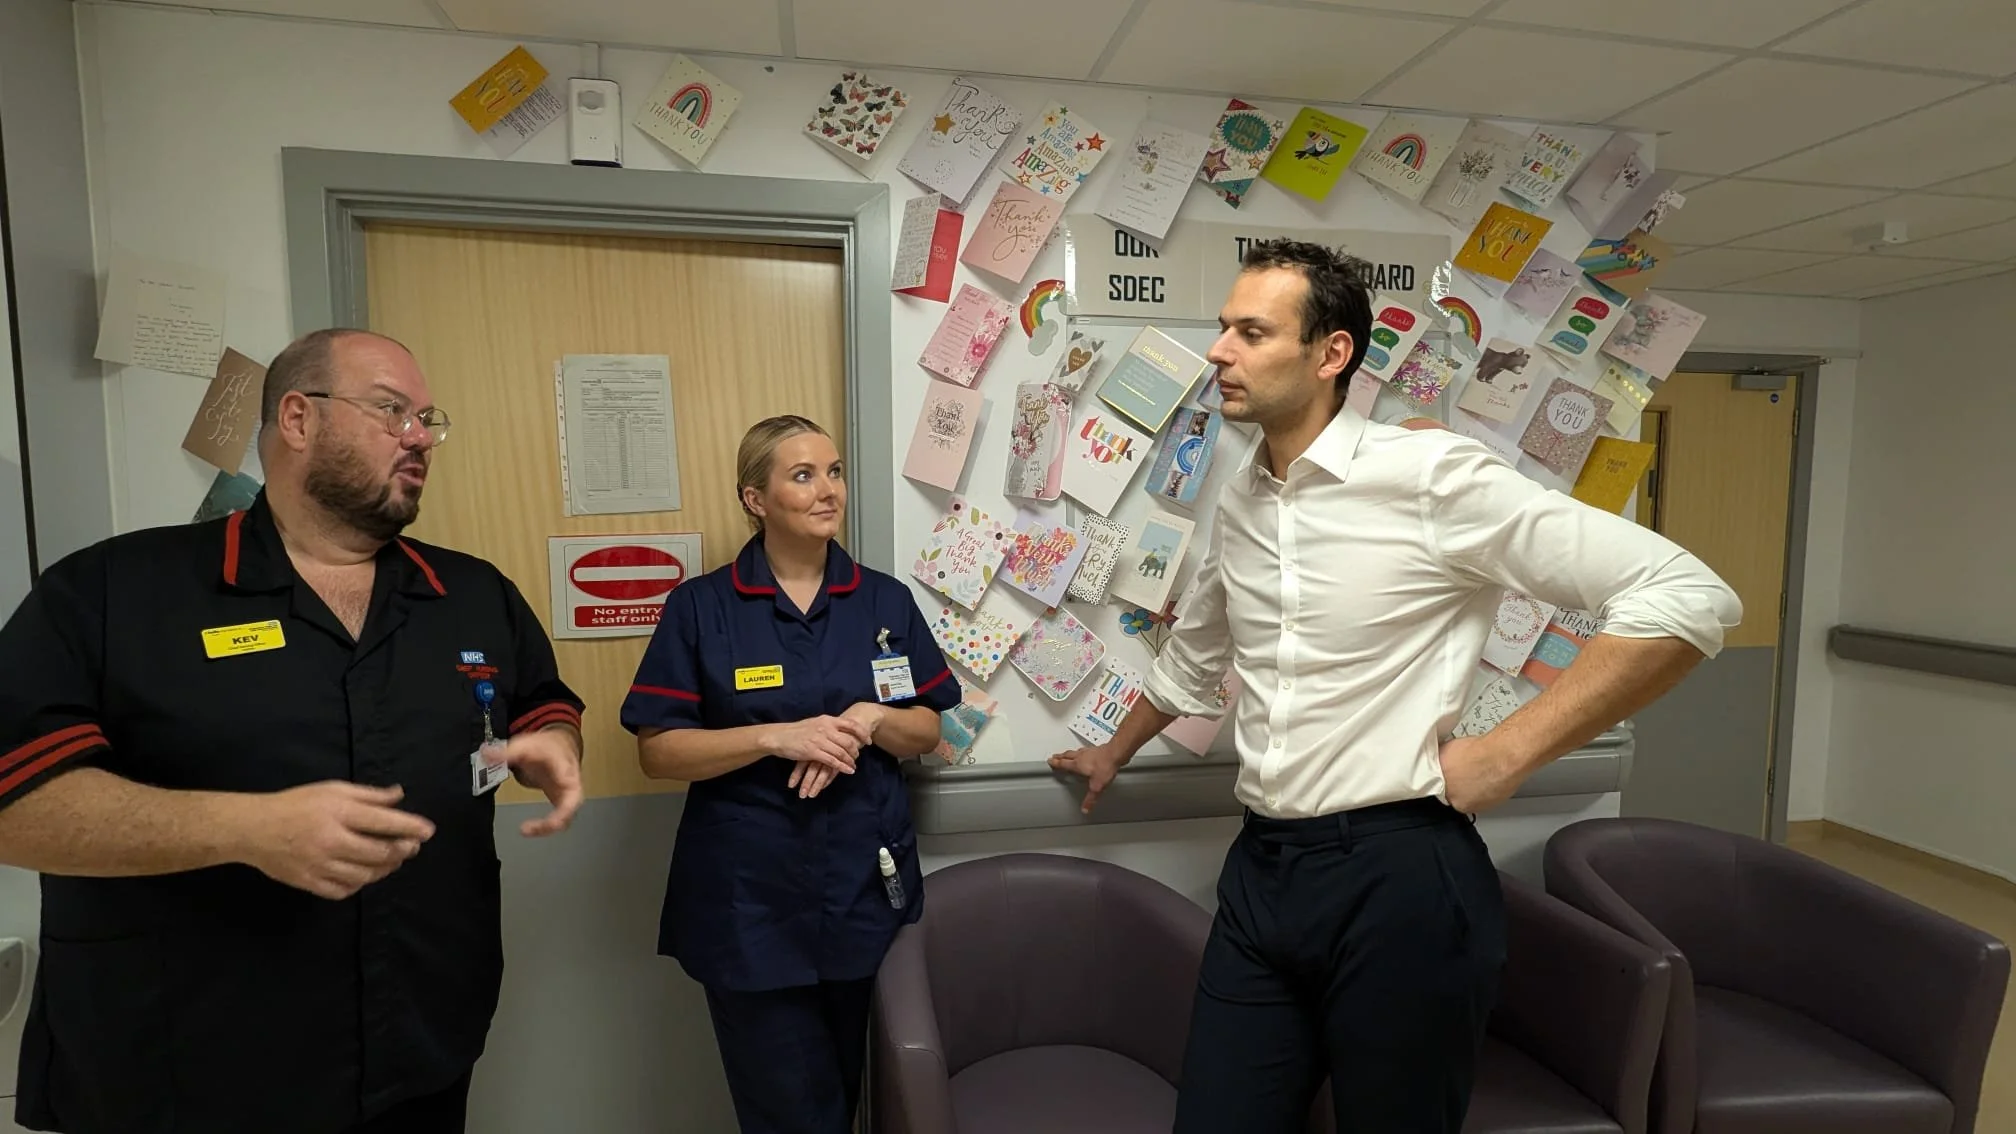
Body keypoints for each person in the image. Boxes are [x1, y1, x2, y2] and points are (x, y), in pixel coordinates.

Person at [1048, 240, 1742, 1133]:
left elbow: (1688, 598)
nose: (1219, 350)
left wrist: (1509, 749)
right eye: (1224, 327)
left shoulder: (1431, 476)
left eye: (1252, 332)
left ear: (1330, 354)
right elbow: (1195, 656)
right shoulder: (1241, 496)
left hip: (1403, 875)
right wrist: (1114, 748)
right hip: (1264, 873)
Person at [0, 328, 586, 1134]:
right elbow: (16, 805)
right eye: (391, 410)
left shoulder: (473, 593)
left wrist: (555, 745)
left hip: (416, 1052)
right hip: (183, 1073)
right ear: (299, 419)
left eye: (427, 419)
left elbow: (542, 702)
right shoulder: (112, 594)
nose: (418, 437)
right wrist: (243, 827)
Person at [622, 415, 962, 1134]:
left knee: (859, 1098)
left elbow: (931, 728)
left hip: (863, 891)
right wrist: (775, 737)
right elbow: (658, 750)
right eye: (803, 475)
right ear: (755, 498)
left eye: (834, 471)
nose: (827, 489)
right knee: (785, 1113)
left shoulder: (884, 602)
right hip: (751, 904)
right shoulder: (703, 607)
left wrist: (872, 718)